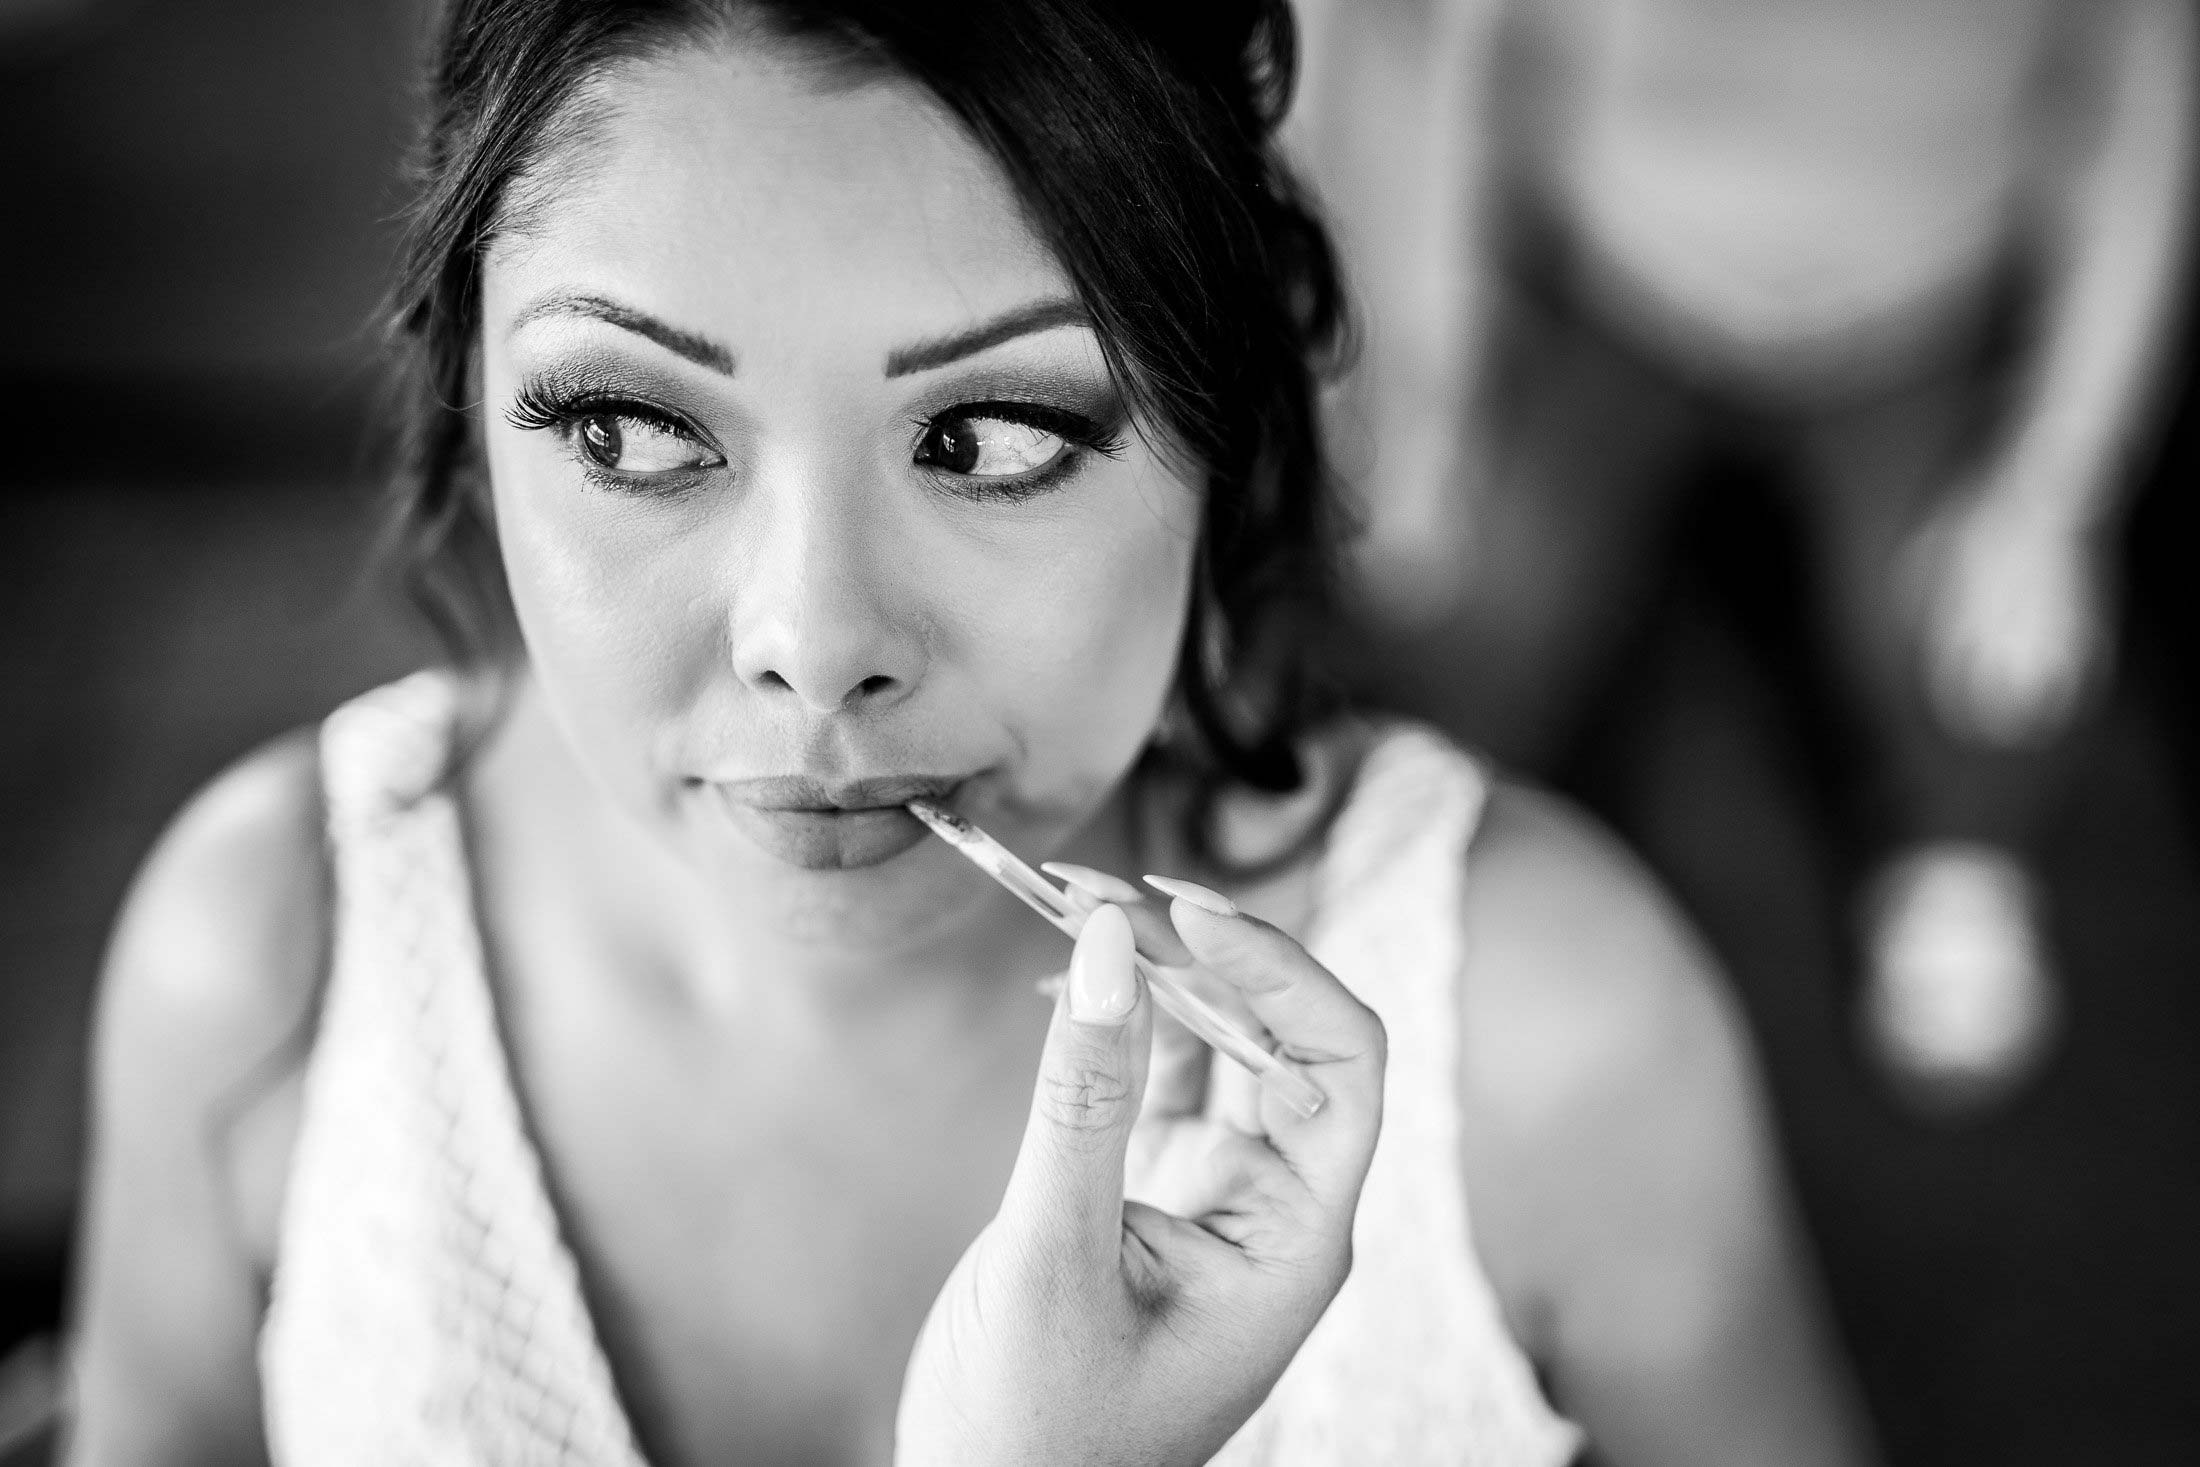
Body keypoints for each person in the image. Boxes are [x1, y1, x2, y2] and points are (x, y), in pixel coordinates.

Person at [61, 2, 1877, 1462]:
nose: (815, 643)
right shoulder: (268, 964)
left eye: (993, 435)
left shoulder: (1553, 1050)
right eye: (625, 424)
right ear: (470, 394)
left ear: (1221, 424)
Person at [1292, 0, 2197, 1114]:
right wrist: (1421, 405)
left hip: (1921, 325)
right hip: (1607, 287)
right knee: (1451, 594)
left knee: (1993, 661)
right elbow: (1432, 80)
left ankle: (1960, 845)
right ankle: (1436, 850)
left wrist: (2051, 493)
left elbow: (2140, 160)